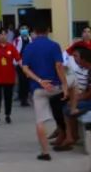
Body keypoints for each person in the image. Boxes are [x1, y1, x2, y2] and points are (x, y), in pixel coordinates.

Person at [20, 25, 68, 161]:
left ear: (34, 32)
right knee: (74, 82)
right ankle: (68, 133)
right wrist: (64, 85)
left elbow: (25, 68)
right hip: (56, 87)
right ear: (48, 31)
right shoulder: (54, 45)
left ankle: (45, 152)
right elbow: (59, 66)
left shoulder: (29, 47)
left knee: (40, 121)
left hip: (39, 89)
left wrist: (40, 81)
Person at [53, 47, 91, 150]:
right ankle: (67, 134)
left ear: (84, 59)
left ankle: (71, 136)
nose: (74, 59)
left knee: (68, 108)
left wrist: (76, 98)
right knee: (63, 104)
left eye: (76, 57)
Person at [0, 28, 21, 125]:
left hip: (9, 77)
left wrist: (24, 69)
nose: (3, 36)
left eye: (5, 34)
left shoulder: (11, 47)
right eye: (1, 34)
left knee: (8, 97)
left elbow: (18, 59)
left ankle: (7, 115)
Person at [13, 26, 33, 106]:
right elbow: (15, 51)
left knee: (28, 81)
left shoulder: (30, 39)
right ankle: (23, 99)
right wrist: (17, 63)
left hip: (29, 63)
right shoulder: (17, 40)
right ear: (19, 30)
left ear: (28, 30)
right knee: (22, 81)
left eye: (26, 28)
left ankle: (27, 97)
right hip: (20, 63)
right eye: (22, 29)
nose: (24, 30)